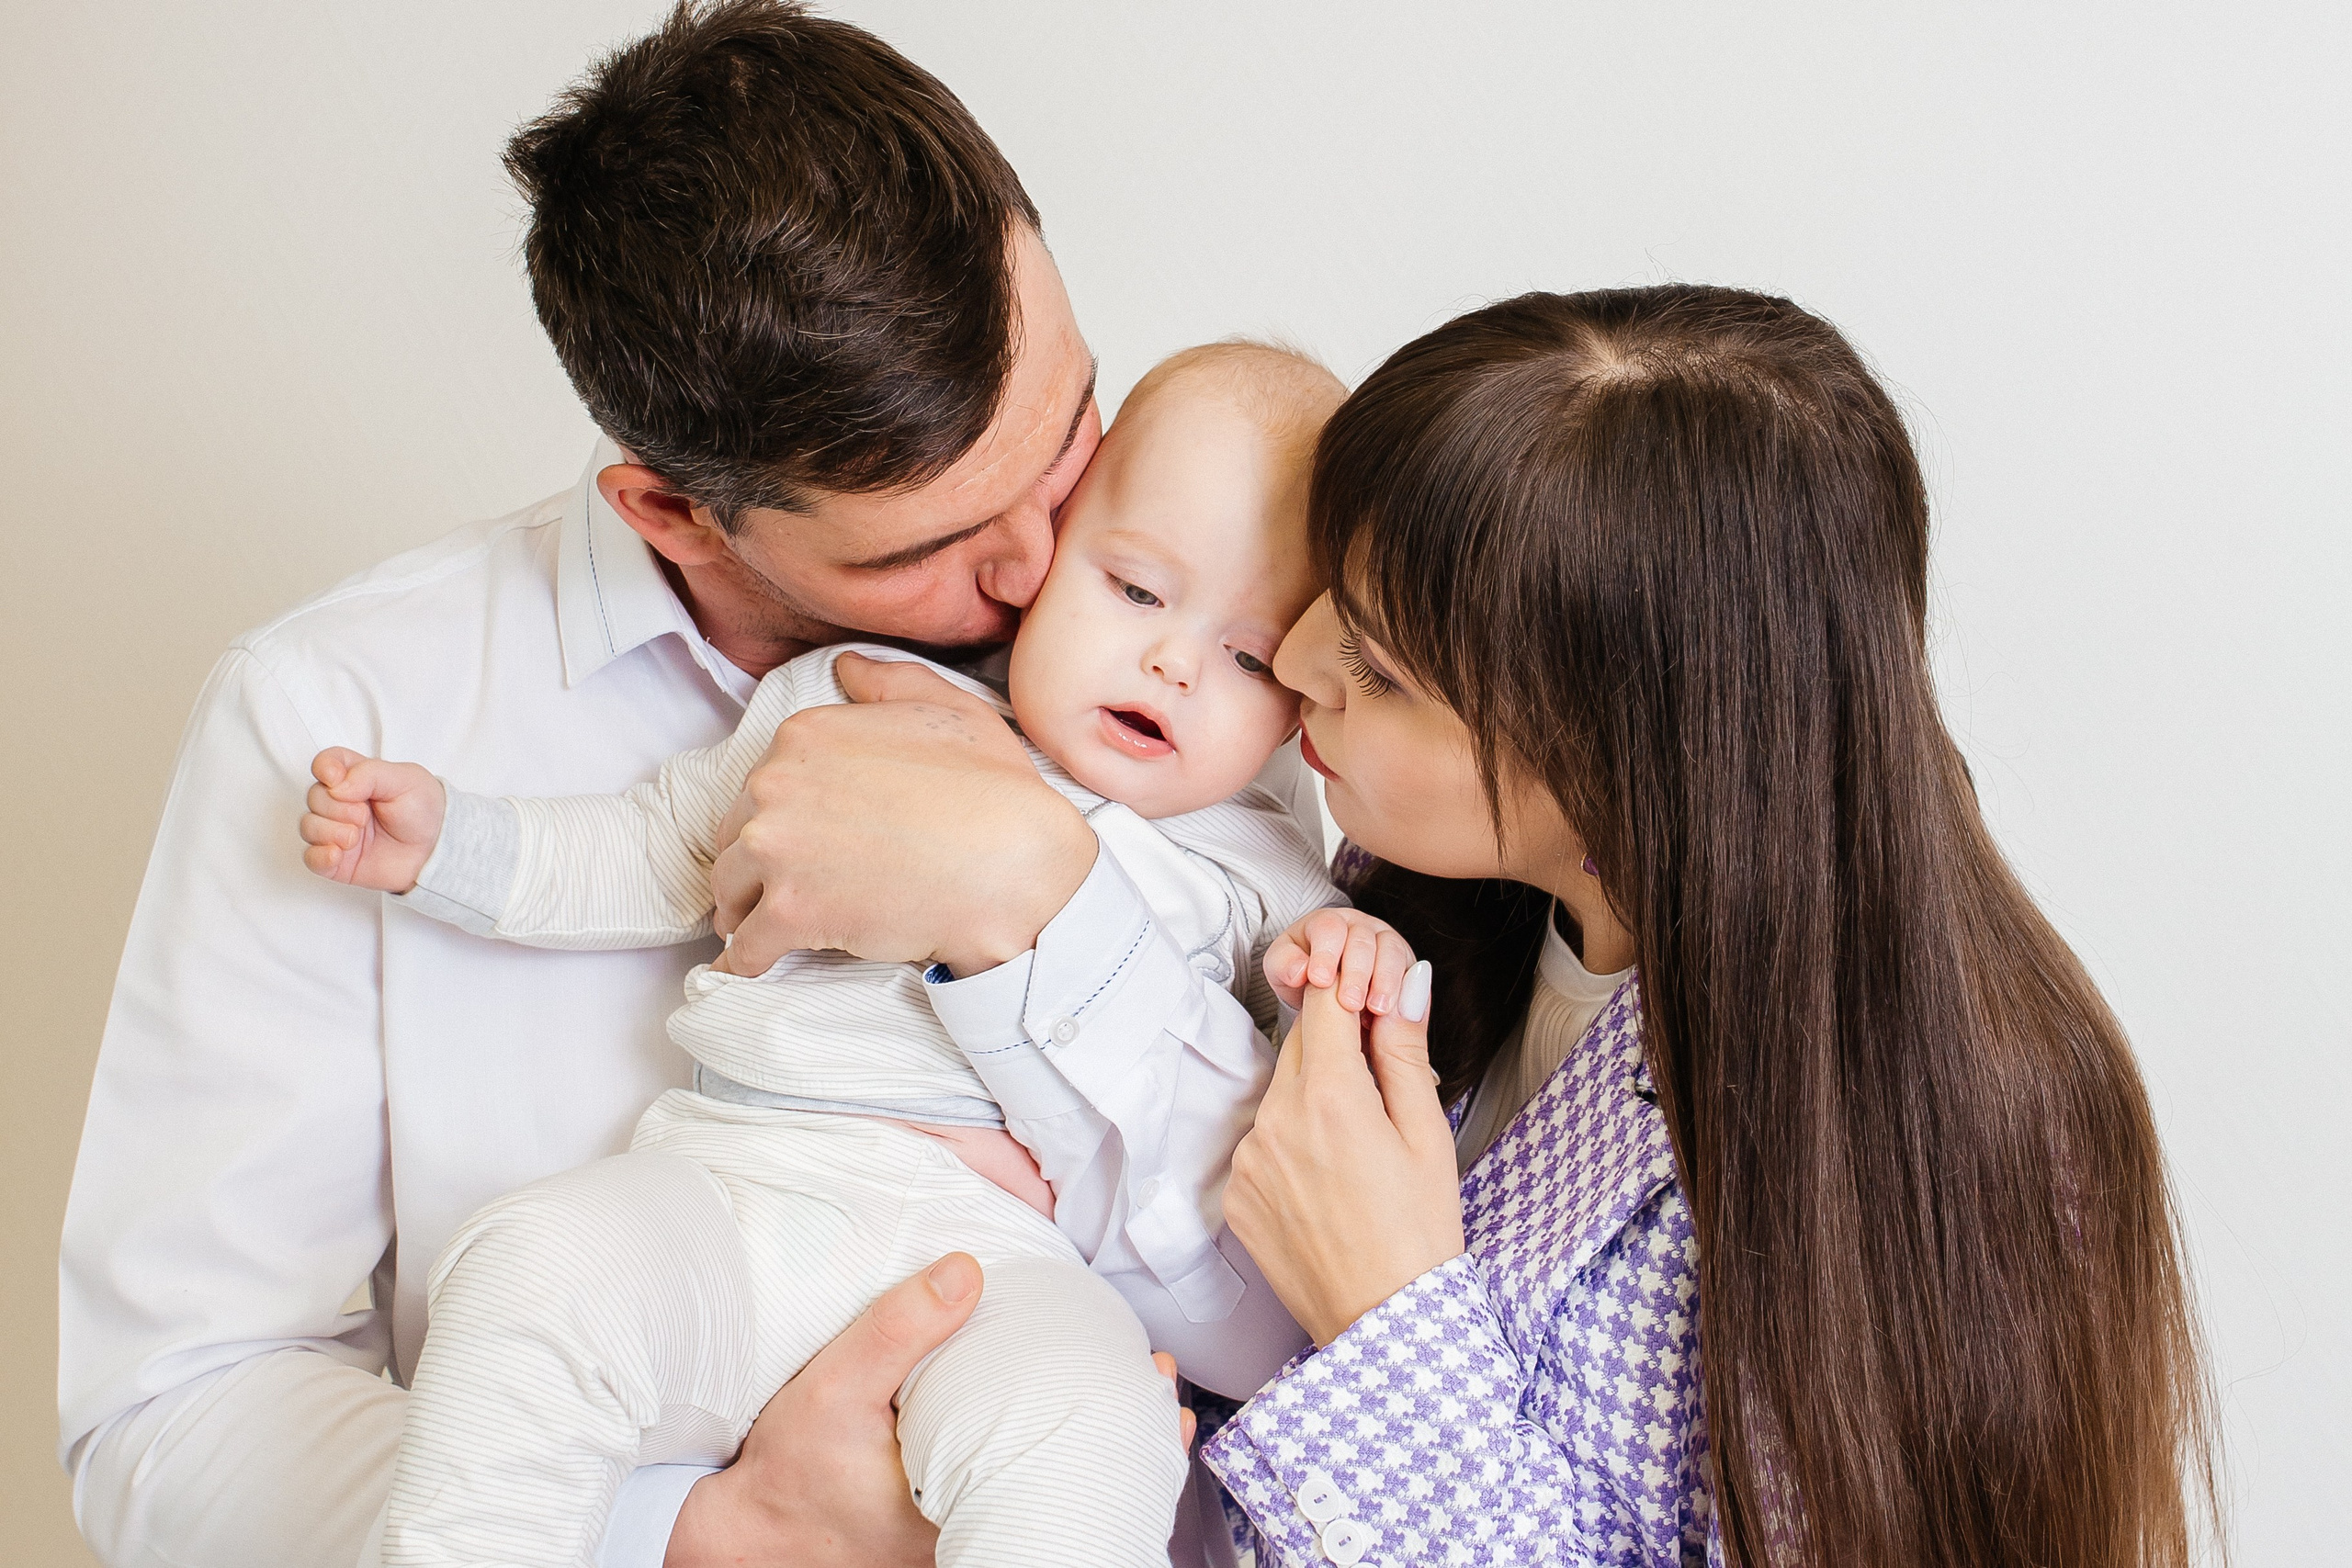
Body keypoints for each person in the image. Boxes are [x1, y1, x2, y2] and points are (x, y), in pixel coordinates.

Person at [61, 6, 1298, 1565]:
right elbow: (175, 1410)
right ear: (672, 513)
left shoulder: (1195, 707)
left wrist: (1032, 906)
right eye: (927, 547)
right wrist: (697, 1539)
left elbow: (1301, 1345)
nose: (1047, 564)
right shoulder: (339, 707)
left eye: (1066, 439)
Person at [1195, 287, 2216, 1568]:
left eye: (1385, 670)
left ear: (1636, 748)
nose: (1294, 657)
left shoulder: (1938, 1135)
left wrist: (1382, 1320)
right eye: (1328, 592)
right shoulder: (1416, 899)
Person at [295, 344, 1348, 1568]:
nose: (1175, 661)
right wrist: (453, 847)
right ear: (1052, 556)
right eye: (1133, 590)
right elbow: (659, 851)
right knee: (529, 1269)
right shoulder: (847, 697)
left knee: (1099, 1424)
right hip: (742, 1187)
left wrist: (1351, 960)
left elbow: (1287, 1096)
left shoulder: (1265, 858)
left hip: (1005, 1264)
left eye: (1250, 656)